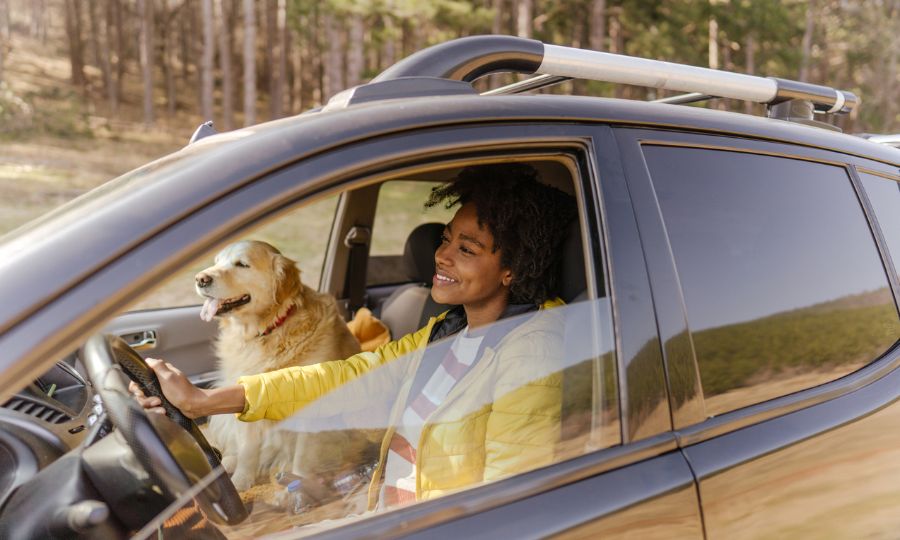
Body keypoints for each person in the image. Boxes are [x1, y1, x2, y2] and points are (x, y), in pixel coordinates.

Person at [133, 163, 578, 511]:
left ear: (512, 270)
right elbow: (344, 377)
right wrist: (205, 401)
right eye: (445, 238)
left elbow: (510, 504)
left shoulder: (532, 354)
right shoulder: (447, 331)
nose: (440, 255)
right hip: (383, 505)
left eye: (467, 249)